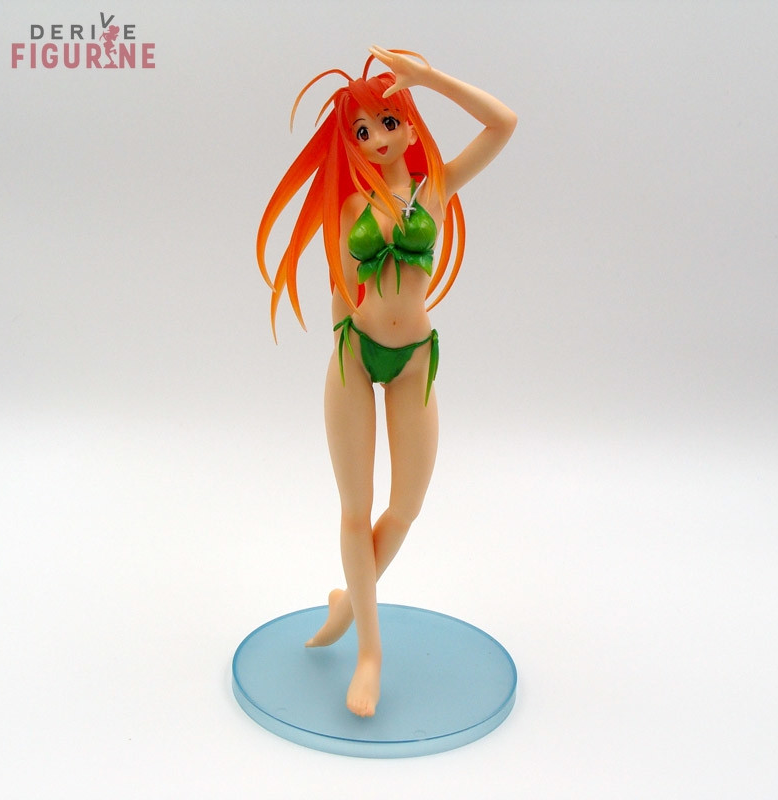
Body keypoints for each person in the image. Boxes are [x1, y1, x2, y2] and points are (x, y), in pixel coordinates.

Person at [257, 45, 516, 717]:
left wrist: (429, 77)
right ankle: (368, 651)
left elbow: (504, 123)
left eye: (388, 121)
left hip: (414, 361)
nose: (376, 138)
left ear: (409, 123)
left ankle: (349, 599)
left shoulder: (436, 187)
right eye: (361, 130)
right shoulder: (348, 208)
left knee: (405, 507)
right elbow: (342, 291)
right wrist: (343, 351)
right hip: (354, 353)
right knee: (355, 506)